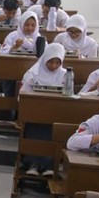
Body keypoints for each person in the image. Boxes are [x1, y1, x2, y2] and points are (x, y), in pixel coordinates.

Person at [18, 44, 67, 176]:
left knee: (53, 132)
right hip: (35, 113)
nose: (54, 66)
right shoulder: (33, 73)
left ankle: (48, 164)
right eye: (50, 62)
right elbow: (23, 95)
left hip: (54, 114)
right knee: (34, 130)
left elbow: (68, 95)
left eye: (58, 63)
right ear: (45, 59)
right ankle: (32, 163)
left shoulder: (65, 75)